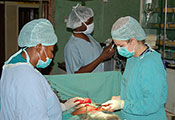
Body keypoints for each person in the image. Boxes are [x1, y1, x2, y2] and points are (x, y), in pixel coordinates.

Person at [0, 19, 83, 120]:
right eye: (51, 50)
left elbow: (26, 105)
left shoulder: (11, 66)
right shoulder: (28, 78)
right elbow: (34, 115)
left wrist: (62, 107)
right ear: (39, 47)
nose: (52, 56)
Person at [102, 16, 168, 120]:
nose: (118, 49)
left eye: (120, 45)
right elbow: (135, 92)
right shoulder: (132, 58)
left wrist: (123, 104)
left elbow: (151, 104)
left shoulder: (151, 63)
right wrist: (120, 98)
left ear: (133, 41)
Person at [64, 4, 115, 74]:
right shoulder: (72, 46)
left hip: (97, 81)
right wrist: (101, 58)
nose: (92, 24)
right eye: (89, 22)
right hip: (84, 84)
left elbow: (94, 55)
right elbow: (77, 73)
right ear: (78, 24)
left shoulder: (89, 37)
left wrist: (108, 48)